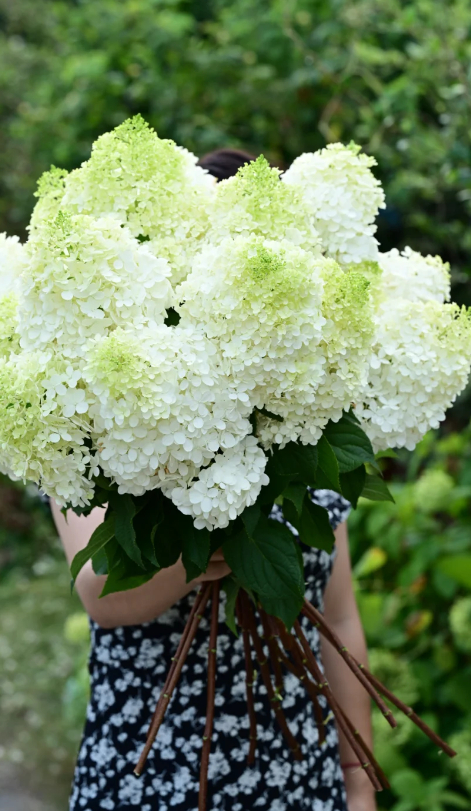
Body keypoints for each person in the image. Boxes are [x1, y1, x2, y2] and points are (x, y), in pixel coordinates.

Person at [52, 148, 377, 811]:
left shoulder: (309, 421)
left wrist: (356, 778)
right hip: (151, 776)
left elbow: (339, 616)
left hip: (300, 775)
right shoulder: (95, 415)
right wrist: (201, 547)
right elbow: (101, 594)